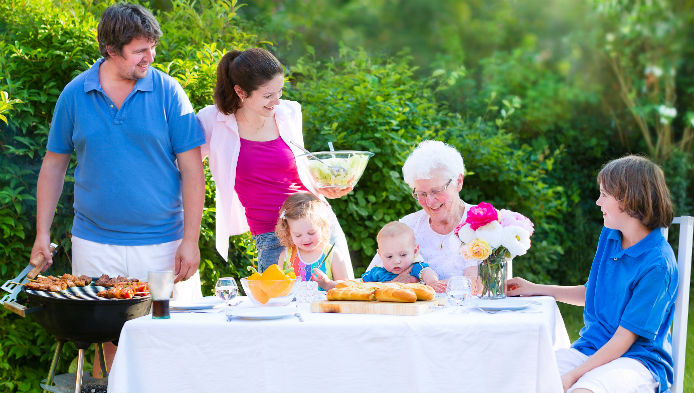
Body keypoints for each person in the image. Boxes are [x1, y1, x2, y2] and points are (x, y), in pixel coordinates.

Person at [29, 3, 205, 377]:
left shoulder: (169, 92)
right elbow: (54, 164)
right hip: (95, 244)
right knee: (105, 344)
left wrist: (191, 240)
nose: (150, 58)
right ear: (110, 49)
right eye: (140, 50)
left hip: (163, 245)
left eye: (152, 47)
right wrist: (42, 234)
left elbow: (192, 170)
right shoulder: (75, 94)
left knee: (174, 343)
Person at [507, 155, 677, 393]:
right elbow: (594, 294)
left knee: (583, 390)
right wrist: (535, 288)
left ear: (628, 199)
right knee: (524, 380)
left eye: (604, 195)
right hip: (593, 347)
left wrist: (573, 376)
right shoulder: (611, 235)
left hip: (637, 360)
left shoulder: (658, 265)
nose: (598, 202)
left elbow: (624, 340)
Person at [197, 48, 353, 275]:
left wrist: (328, 187)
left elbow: (301, 170)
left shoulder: (289, 112)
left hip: (316, 224)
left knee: (340, 298)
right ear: (240, 91)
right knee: (277, 305)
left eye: (279, 92)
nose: (277, 101)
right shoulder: (212, 120)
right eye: (268, 95)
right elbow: (185, 168)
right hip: (270, 235)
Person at [367, 140, 477, 282]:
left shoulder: (483, 221)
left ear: (459, 182)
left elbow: (489, 284)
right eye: (421, 194)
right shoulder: (407, 227)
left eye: (436, 191)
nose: (430, 202)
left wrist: (425, 286)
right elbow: (369, 283)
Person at [274, 192, 348, 290]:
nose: (306, 239)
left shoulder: (332, 255)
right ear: (288, 232)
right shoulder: (286, 256)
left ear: (322, 226)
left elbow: (346, 286)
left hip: (324, 305)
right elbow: (280, 288)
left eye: (311, 233)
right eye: (298, 235)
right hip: (294, 305)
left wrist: (328, 284)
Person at [362, 221, 444, 291]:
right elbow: (362, 285)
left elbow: (427, 272)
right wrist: (387, 284)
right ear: (380, 255)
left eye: (403, 255)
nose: (396, 261)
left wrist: (432, 282)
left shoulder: (414, 267)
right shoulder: (377, 271)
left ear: (415, 251)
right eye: (389, 257)